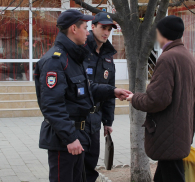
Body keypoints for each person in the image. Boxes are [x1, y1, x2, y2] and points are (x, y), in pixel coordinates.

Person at [34, 9, 131, 182]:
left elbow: (85, 88)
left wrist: (112, 91)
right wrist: (70, 138)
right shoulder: (55, 61)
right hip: (65, 139)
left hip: (79, 134)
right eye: (85, 27)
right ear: (73, 29)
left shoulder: (73, 57)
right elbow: (52, 105)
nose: (88, 32)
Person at [127, 15, 195, 182]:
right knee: (163, 176)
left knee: (172, 176)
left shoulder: (167, 58)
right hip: (180, 134)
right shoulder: (190, 59)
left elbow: (157, 100)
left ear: (162, 34)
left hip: (169, 136)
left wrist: (134, 98)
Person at [83, 12, 117, 182]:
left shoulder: (108, 56)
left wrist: (108, 121)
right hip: (78, 118)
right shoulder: (80, 48)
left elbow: (109, 93)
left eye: (109, 29)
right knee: (75, 168)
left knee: (90, 167)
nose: (106, 32)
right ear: (93, 26)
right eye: (103, 27)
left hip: (95, 120)